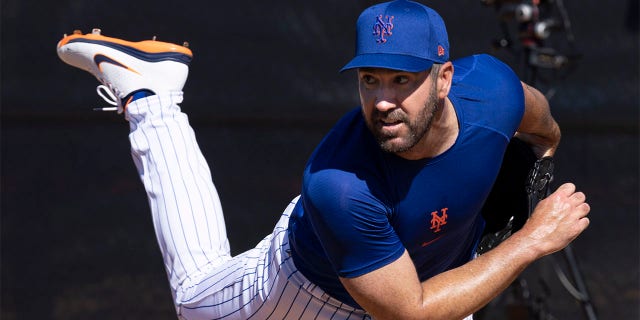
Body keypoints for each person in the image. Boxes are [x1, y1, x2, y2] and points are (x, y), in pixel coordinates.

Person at [57, 1, 590, 319]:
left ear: (445, 78)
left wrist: (544, 153)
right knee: (196, 299)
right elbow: (409, 311)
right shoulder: (338, 183)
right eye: (370, 79)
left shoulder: (493, 91)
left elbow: (540, 120)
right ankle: (152, 96)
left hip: (434, 281)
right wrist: (532, 240)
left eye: (402, 79)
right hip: (317, 294)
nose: (382, 99)